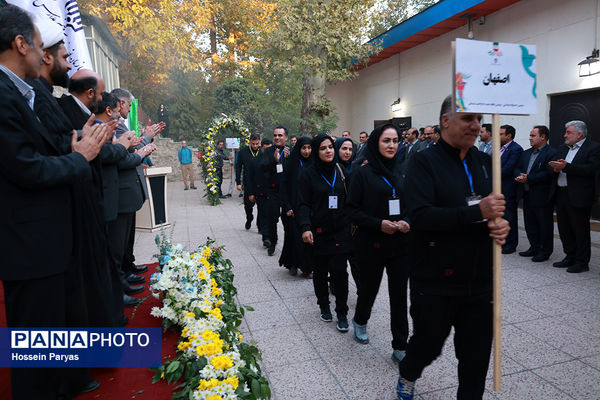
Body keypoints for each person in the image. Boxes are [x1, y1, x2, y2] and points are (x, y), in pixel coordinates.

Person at [0, 6, 111, 397]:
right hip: (29, 247)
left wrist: (72, 148)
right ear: (21, 44)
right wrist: (78, 156)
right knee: (36, 360)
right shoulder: (4, 93)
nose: (44, 54)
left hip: (45, 243)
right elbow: (26, 168)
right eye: (37, 43)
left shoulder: (20, 91)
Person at [396, 96, 509, 400]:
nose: (476, 126)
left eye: (479, 120)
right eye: (468, 118)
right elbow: (419, 216)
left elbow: (493, 212)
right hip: (435, 279)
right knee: (428, 345)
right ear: (446, 121)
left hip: (480, 280)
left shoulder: (486, 163)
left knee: (475, 361)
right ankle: (408, 372)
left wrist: (500, 225)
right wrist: (477, 212)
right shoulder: (423, 161)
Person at [345, 124, 410, 364]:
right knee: (369, 289)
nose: (391, 145)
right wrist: (377, 223)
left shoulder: (404, 170)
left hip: (400, 244)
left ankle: (401, 344)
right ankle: (360, 320)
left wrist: (407, 221)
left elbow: (414, 204)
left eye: (395, 141)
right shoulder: (362, 173)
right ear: (375, 143)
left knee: (399, 296)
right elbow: (351, 210)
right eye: (386, 141)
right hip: (372, 243)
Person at [297, 134, 351, 332]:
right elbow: (302, 203)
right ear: (316, 151)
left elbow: (349, 199)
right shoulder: (308, 174)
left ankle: (342, 312)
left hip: (340, 231)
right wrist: (305, 227)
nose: (328, 151)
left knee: (340, 272)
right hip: (318, 232)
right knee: (320, 272)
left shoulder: (340, 170)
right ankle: (324, 305)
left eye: (330, 147)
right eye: (323, 148)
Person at [549, 120, 600, 273]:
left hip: (580, 195)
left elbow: (591, 169)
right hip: (561, 193)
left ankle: (582, 262)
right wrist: (555, 169)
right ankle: (569, 256)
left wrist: (567, 167)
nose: (565, 135)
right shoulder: (562, 148)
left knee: (580, 230)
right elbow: (550, 165)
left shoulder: (594, 148)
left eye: (568, 132)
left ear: (579, 134)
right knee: (564, 229)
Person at [514, 125, 556, 262]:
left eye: (533, 135)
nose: (529, 138)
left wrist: (529, 178)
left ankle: (545, 251)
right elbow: (518, 167)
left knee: (544, 225)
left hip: (543, 196)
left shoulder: (551, 153)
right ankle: (534, 247)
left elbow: (548, 173)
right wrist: (519, 176)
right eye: (530, 135)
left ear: (543, 137)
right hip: (526, 194)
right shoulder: (526, 153)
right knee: (530, 223)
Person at [253, 126, 290, 255]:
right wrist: (274, 160)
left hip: (288, 192)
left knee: (289, 221)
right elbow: (263, 168)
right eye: (275, 135)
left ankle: (289, 248)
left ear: (286, 137)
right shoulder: (268, 152)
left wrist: (287, 159)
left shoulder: (291, 151)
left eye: (280, 135)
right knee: (272, 218)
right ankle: (272, 242)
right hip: (273, 191)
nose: (277, 138)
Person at [280, 136, 313, 277]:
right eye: (303, 148)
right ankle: (292, 263)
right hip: (293, 207)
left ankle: (307, 267)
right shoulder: (291, 164)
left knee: (308, 239)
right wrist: (287, 206)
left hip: (309, 208)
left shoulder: (314, 163)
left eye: (309, 148)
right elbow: (283, 186)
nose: (306, 151)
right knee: (293, 237)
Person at [499, 124, 523, 254]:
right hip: (498, 187)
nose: (498, 136)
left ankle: (511, 244)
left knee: (510, 217)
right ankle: (502, 241)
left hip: (508, 189)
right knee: (500, 217)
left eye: (501, 134)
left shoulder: (516, 149)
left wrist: (492, 174)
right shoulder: (499, 148)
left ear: (509, 136)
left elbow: (508, 168)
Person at [247, 138, 273, 238]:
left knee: (271, 213)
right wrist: (251, 193)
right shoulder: (255, 161)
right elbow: (250, 178)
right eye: (266, 149)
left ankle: (267, 229)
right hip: (260, 190)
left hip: (272, 191)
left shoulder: (275, 159)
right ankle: (263, 231)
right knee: (262, 210)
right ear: (261, 148)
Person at [236, 133, 261, 229]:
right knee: (248, 205)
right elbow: (238, 167)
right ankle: (249, 218)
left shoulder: (262, 151)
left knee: (261, 206)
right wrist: (238, 182)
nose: (255, 146)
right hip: (248, 182)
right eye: (253, 144)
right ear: (249, 141)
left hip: (260, 183)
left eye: (257, 144)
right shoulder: (243, 152)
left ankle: (260, 225)